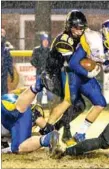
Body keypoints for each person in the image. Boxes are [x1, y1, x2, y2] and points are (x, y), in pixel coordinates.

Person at [16, 10, 88, 145]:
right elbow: (74, 63)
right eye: (76, 28)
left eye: (81, 28)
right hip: (51, 75)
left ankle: (51, 130)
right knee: (69, 102)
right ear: (69, 26)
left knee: (79, 105)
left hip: (62, 74)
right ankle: (46, 126)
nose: (79, 31)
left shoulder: (80, 38)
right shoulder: (64, 39)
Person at [1, 89, 59, 154]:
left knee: (17, 147)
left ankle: (48, 138)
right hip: (11, 104)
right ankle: (49, 137)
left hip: (10, 107)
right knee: (17, 146)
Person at [30, 32, 54, 106]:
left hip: (48, 75)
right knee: (39, 89)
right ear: (41, 41)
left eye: (47, 41)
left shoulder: (50, 51)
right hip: (40, 73)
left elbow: (53, 62)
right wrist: (39, 67)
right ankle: (39, 105)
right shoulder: (37, 50)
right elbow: (32, 60)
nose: (46, 42)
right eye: (44, 41)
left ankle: (51, 106)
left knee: (50, 90)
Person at [1, 28, 14, 95]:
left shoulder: (6, 49)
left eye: (3, 35)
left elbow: (9, 62)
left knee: (3, 92)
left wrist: (11, 73)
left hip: (3, 75)